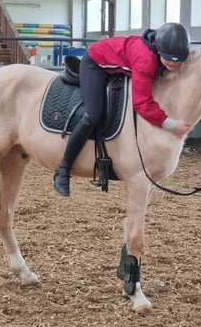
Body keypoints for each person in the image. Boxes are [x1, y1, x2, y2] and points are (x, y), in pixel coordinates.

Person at [53, 22, 192, 197]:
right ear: (158, 50)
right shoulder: (146, 61)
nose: (173, 63)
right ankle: (63, 169)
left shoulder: (165, 53)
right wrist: (171, 125)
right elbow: (141, 103)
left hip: (118, 61)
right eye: (167, 58)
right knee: (92, 115)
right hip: (96, 62)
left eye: (178, 60)